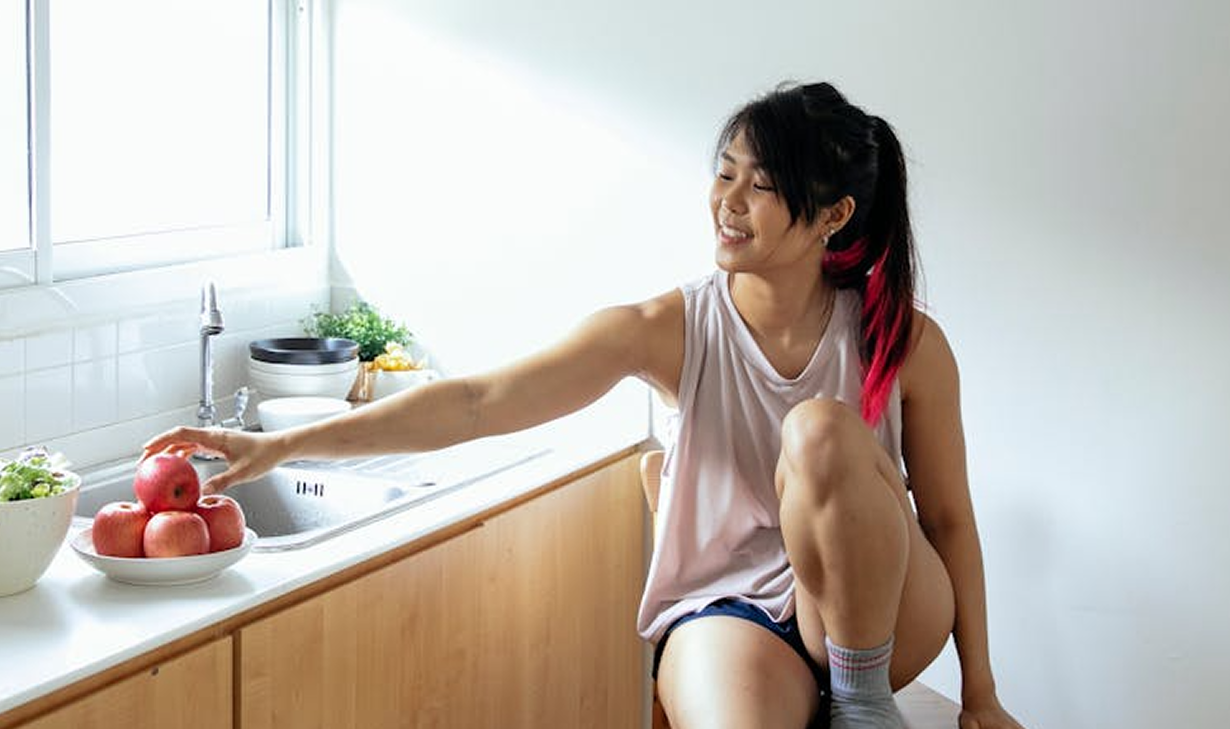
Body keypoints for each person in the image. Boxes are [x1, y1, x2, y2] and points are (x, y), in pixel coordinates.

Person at [143, 81, 1026, 729]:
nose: (728, 201)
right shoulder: (666, 329)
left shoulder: (901, 339)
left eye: (761, 185)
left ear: (832, 214)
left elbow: (947, 517)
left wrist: (979, 692)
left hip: (876, 608)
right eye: (725, 174)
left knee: (822, 430)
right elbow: (479, 402)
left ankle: (864, 706)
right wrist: (282, 448)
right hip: (734, 610)